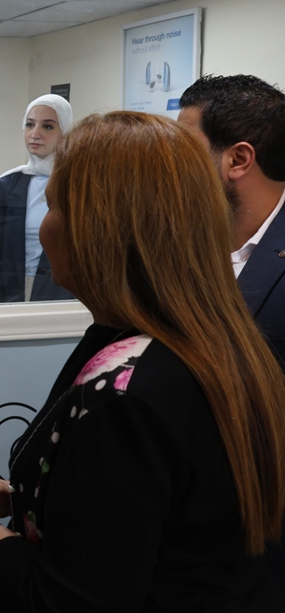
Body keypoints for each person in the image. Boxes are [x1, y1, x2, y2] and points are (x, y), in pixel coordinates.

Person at [0, 111, 285, 612]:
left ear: (98, 229)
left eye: (54, 207)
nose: (44, 229)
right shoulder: (211, 340)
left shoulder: (126, 393)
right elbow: (149, 514)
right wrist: (26, 497)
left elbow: (60, 600)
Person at [178, 73, 285, 592]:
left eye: (183, 149)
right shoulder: (183, 248)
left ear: (237, 160)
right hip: (193, 543)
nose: (170, 166)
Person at [0, 94, 76, 304]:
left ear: (66, 132)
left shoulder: (78, 184)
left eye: (48, 127)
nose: (35, 134)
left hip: (64, 295)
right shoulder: (7, 184)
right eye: (29, 125)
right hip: (10, 293)